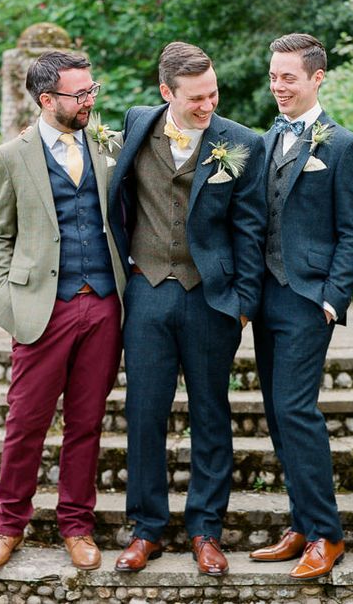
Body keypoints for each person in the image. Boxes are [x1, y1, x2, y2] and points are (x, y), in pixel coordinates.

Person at [108, 41, 266, 576]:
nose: (208, 105)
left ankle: (206, 531)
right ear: (165, 93)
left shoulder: (242, 141)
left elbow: (250, 229)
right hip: (147, 291)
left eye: (213, 93)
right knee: (143, 413)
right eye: (196, 97)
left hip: (210, 297)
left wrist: (243, 303)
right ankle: (146, 529)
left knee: (210, 414)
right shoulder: (135, 124)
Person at [0, 51, 126, 572]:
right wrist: (10, 300)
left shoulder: (108, 145)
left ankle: (76, 525)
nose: (90, 101)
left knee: (86, 423)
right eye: (80, 94)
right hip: (43, 308)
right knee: (25, 422)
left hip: (105, 304)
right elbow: (1, 236)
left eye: (92, 91)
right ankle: (8, 525)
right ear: (47, 100)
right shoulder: (12, 156)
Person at [248, 33, 353, 579]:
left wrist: (332, 298)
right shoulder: (267, 138)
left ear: (317, 77)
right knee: (276, 413)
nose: (278, 87)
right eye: (274, 77)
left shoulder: (343, 146)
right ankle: (300, 522)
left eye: (288, 77)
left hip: (307, 298)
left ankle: (327, 533)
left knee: (297, 410)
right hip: (266, 295)